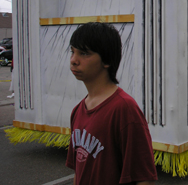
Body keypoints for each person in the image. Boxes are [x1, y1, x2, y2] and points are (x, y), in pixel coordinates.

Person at [66, 22, 157, 185]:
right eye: (72, 52)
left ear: (106, 60)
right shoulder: (77, 111)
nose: (74, 60)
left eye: (84, 53)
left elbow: (144, 178)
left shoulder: (124, 109)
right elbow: (79, 172)